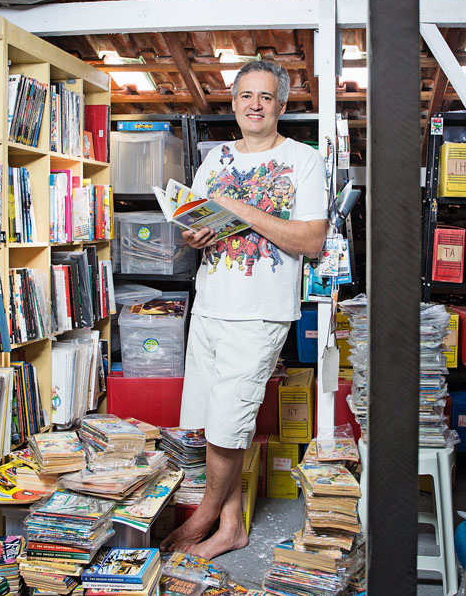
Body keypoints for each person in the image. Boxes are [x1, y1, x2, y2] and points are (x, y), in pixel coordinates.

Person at [160, 60, 328, 558]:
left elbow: (313, 240)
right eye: (246, 96)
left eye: (266, 97)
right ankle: (232, 526)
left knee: (231, 423)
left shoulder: (303, 160)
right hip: (210, 303)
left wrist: (243, 211)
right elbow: (200, 227)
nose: (256, 105)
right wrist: (194, 232)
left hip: (259, 312)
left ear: (281, 105)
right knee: (217, 423)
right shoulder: (216, 160)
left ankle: (207, 517)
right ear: (233, 104)